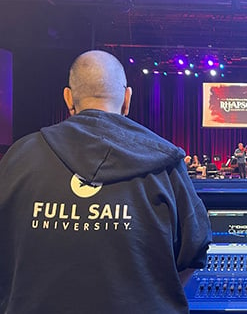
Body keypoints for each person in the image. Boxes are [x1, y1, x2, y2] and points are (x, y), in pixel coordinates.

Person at [0, 50, 212, 314]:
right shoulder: (167, 164)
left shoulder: (17, 157)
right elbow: (195, 250)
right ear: (127, 99)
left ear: (68, 97)